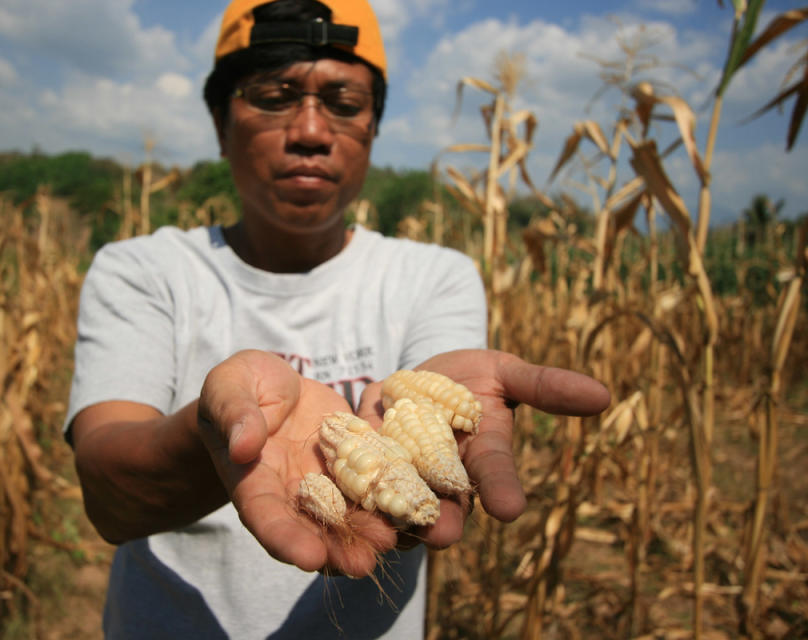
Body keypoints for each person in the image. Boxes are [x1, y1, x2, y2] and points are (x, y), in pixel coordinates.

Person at [64, 0, 611, 637]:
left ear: (373, 128)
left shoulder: (434, 277)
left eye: (344, 103)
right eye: (275, 95)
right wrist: (219, 435)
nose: (311, 131)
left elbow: (439, 428)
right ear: (220, 122)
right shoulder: (144, 270)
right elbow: (108, 498)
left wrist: (423, 429)